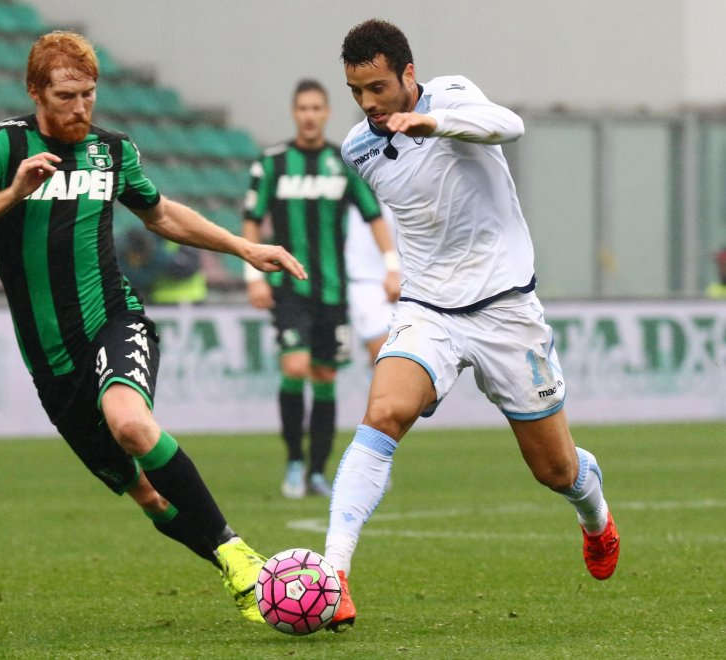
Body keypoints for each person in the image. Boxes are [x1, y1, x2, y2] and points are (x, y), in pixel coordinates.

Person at [0, 31, 306, 623]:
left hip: (114, 320)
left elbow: (159, 212)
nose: (80, 108)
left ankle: (240, 555)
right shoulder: (3, 146)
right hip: (52, 365)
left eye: (88, 94)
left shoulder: (113, 151)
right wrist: (14, 191)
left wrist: (243, 247)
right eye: (65, 96)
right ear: (35, 92)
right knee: (151, 497)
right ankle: (237, 570)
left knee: (132, 424)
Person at [323, 20, 620, 631]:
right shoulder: (358, 147)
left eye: (379, 86)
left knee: (555, 470)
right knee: (382, 414)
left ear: (409, 74)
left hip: (507, 310)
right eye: (357, 91)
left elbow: (508, 125)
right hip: (428, 310)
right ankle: (334, 576)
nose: (370, 103)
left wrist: (433, 124)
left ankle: (594, 515)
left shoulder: (453, 96)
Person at [243, 79, 400, 499]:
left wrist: (391, 266)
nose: (310, 115)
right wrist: (253, 276)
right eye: (303, 108)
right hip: (288, 287)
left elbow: (374, 216)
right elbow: (252, 218)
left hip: (333, 291)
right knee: (295, 368)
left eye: (317, 108)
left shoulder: (342, 162)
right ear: (295, 113)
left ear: (326, 113)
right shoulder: (273, 162)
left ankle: (316, 471)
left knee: (325, 375)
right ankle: (294, 460)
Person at [346, 204, 399, 364]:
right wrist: (392, 269)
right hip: (367, 279)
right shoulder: (356, 180)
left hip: (416, 278)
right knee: (385, 352)